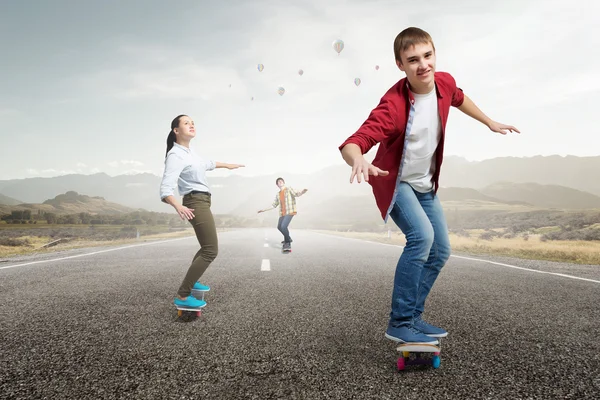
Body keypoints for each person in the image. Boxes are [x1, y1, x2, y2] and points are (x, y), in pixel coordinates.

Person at [338, 27, 519, 345]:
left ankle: (414, 316)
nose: (423, 65)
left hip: (425, 185)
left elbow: (459, 98)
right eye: (412, 60)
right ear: (400, 65)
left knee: (441, 250)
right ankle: (400, 321)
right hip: (397, 185)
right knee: (421, 239)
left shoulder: (444, 82)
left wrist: (489, 121)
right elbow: (354, 142)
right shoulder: (392, 106)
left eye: (427, 56)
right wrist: (357, 159)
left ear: (434, 54)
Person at [160, 114, 245, 309]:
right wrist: (178, 206)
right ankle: (183, 295)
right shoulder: (175, 155)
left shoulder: (190, 152)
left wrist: (227, 165)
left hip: (203, 201)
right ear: (176, 131)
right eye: (186, 123)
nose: (191, 125)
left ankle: (193, 280)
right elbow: (165, 190)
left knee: (206, 246)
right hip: (195, 202)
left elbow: (208, 163)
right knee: (210, 250)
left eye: (193, 122)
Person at [257, 177, 308, 249]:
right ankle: (288, 238)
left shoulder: (288, 189)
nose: (280, 182)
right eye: (278, 182)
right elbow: (274, 205)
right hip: (282, 213)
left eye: (281, 181)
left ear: (284, 183)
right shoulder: (278, 194)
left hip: (290, 211)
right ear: (277, 185)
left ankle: (287, 243)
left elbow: (296, 194)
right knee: (279, 227)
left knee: (284, 227)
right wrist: (264, 210)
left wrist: (302, 192)